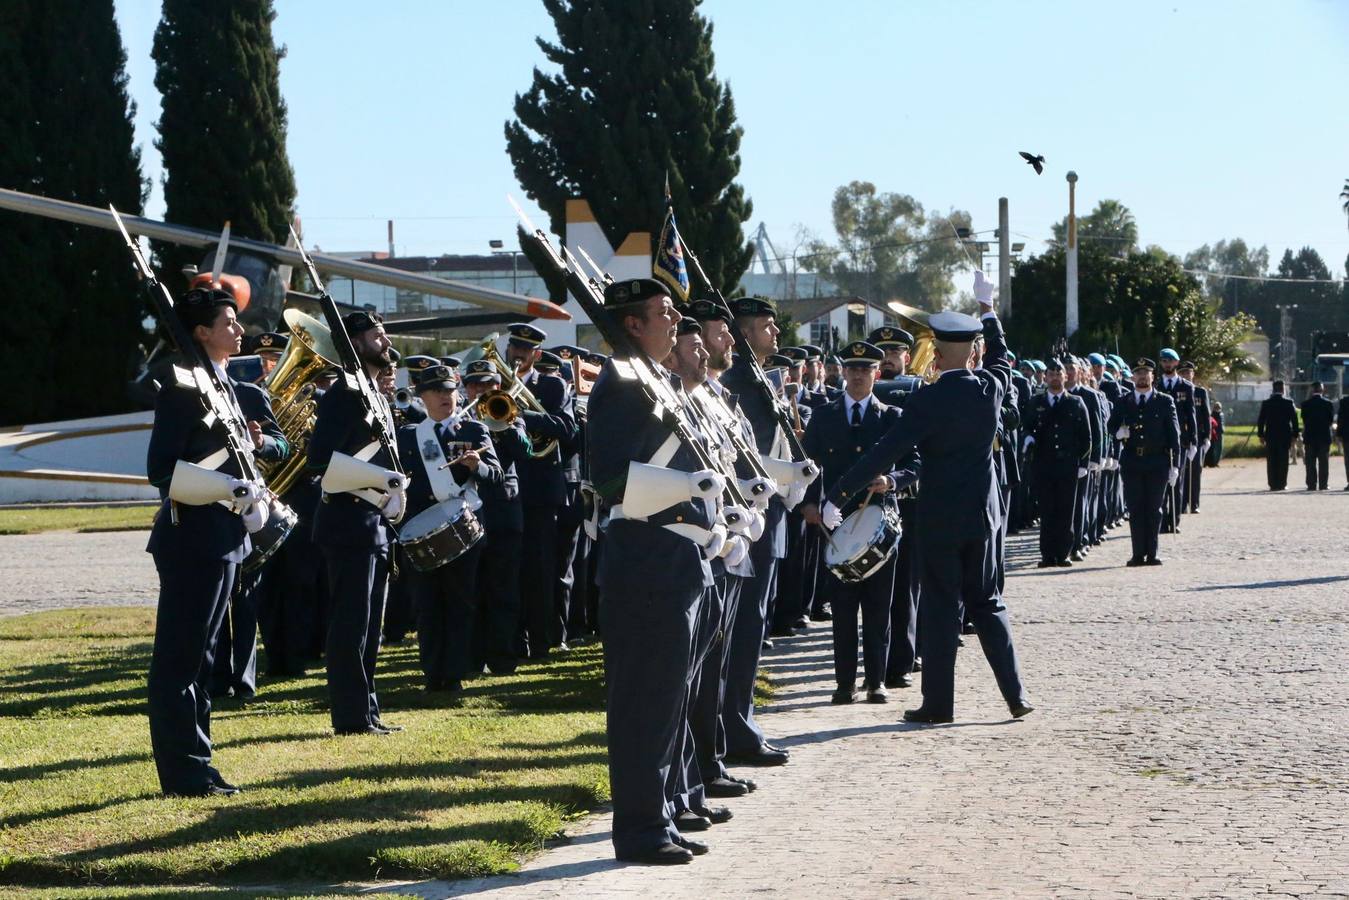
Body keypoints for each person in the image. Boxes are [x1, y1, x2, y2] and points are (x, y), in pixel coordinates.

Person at [821, 272, 1030, 724]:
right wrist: (988, 308)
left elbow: (883, 452)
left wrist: (838, 493)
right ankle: (1015, 696)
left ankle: (939, 705)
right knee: (989, 603)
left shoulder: (927, 401)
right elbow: (1002, 357)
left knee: (939, 608)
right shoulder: (991, 388)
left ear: (933, 351)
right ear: (971, 351)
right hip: (983, 517)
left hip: (939, 521)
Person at [588, 278, 717, 864]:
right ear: (633, 325)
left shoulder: (659, 380)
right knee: (643, 700)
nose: (675, 320)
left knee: (669, 697)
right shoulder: (619, 383)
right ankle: (639, 830)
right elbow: (610, 479)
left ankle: (660, 815)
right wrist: (692, 495)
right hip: (642, 560)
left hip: (677, 557)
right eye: (664, 313)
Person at [145, 286, 268, 796]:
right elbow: (161, 471)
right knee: (179, 663)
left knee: (204, 661)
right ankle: (183, 772)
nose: (239, 331)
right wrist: (230, 488)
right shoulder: (180, 388)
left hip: (224, 538)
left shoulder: (220, 384)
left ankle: (200, 763)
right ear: (201, 333)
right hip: (193, 540)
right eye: (229, 322)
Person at [306, 311, 406, 736]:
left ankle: (367, 711)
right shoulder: (345, 395)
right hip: (348, 522)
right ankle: (350, 717)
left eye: (384, 330)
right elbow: (319, 461)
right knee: (350, 625)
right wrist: (379, 481)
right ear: (353, 342)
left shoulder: (373, 393)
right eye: (374, 333)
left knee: (370, 626)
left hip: (374, 522)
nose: (384, 338)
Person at [800, 341, 916, 704]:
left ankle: (876, 681)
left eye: (866, 370)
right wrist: (808, 504)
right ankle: (845, 683)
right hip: (837, 525)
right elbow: (808, 468)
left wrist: (892, 481)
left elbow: (916, 464)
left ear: (876, 374)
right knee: (844, 609)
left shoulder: (891, 417)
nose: (858, 376)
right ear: (843, 373)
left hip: (880, 525)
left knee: (880, 607)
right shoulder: (824, 416)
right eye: (852, 369)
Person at [395, 364, 502, 692]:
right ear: (422, 397)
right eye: (436, 391)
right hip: (423, 530)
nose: (445, 396)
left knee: (460, 601)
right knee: (427, 604)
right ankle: (432, 672)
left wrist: (478, 466)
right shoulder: (409, 435)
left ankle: (455, 672)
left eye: (449, 390)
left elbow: (496, 475)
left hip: (464, 526)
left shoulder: (473, 429)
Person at [719, 296, 793, 766]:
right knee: (745, 625)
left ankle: (742, 719)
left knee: (755, 620)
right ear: (746, 335)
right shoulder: (741, 383)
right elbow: (748, 458)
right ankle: (736, 727)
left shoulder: (761, 380)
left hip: (773, 510)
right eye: (768, 327)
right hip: (752, 514)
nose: (777, 335)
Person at [503, 323, 579, 658]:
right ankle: (511, 641)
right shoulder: (494, 383)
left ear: (536, 354)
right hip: (504, 486)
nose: (517, 353)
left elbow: (566, 427)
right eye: (514, 346)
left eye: (524, 349)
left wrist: (522, 414)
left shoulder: (551, 385)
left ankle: (544, 639)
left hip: (538, 490)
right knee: (508, 569)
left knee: (541, 568)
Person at [462, 359, 530, 675]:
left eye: (487, 384)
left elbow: (524, 450)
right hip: (469, 512)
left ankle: (503, 658)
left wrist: (497, 425)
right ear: (465, 388)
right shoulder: (457, 420)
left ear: (497, 387)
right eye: (475, 385)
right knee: (472, 589)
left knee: (504, 589)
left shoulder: (509, 413)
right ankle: (472, 658)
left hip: (503, 509)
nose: (481, 390)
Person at [1106, 358, 1181, 566]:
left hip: (1157, 461)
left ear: (1152, 377)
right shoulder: (1124, 401)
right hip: (1132, 462)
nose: (1142, 377)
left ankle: (1153, 553)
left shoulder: (1164, 401)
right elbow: (1110, 425)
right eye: (1138, 373)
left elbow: (1174, 435)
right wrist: (1118, 432)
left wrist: (1176, 466)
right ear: (1133, 377)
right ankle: (1138, 553)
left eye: (1146, 373)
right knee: (1136, 509)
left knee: (1154, 509)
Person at [1023, 358, 1091, 568]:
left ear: (1066, 376)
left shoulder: (1075, 402)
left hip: (1067, 464)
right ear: (1045, 377)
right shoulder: (1037, 402)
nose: (1054, 377)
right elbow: (1027, 426)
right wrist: (1028, 439)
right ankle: (1047, 554)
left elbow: (1086, 436)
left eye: (1058, 373)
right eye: (1050, 374)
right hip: (1044, 464)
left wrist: (1083, 463)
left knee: (1065, 510)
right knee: (1047, 510)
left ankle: (1063, 553)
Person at [1155, 349, 1198, 530]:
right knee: (1161, 481)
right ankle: (1162, 520)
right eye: (1164, 361)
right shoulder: (1156, 385)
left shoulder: (1186, 387)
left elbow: (1191, 414)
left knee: (1176, 481)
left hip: (1179, 441)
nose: (1167, 364)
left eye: (1170, 361)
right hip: (1159, 440)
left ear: (1177, 363)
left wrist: (1194, 440)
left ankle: (1174, 520)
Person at [1176, 361, 1210, 512]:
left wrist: (1207, 437)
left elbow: (1206, 415)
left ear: (1193, 374)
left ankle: (1194, 503)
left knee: (1196, 471)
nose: (1185, 375)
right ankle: (1182, 504)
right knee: (1182, 472)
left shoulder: (1200, 392)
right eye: (1182, 373)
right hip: (1183, 437)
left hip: (1198, 437)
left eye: (1188, 372)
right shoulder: (1178, 391)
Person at [1256, 380, 1299, 491]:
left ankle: (1272, 484)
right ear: (1283, 389)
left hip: (1270, 435)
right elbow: (1294, 420)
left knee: (1271, 460)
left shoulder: (1266, 403)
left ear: (1273, 389)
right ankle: (1282, 483)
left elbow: (1261, 420)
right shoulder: (1289, 402)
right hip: (1285, 435)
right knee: (1283, 460)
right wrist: (1295, 434)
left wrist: (1261, 435)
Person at [1299, 382, 1334, 491]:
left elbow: (1304, 420)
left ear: (1312, 390)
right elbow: (1330, 420)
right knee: (1324, 462)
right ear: (1322, 390)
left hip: (1310, 436)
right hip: (1324, 436)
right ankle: (1323, 484)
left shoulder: (1305, 404)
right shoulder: (1328, 403)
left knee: (1310, 462)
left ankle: (1311, 484)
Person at [1206, 400, 1225, 468]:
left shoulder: (1221, 414)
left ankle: (1216, 462)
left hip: (1220, 434)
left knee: (1219, 449)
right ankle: (1212, 462)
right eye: (1216, 407)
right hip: (1214, 434)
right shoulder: (1212, 415)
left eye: (1218, 407)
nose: (1217, 409)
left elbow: (1222, 424)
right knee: (1213, 449)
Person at [1339, 395, 1349, 489]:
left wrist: (1339, 433)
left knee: (1348, 459)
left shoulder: (1344, 401)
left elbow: (1341, 418)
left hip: (1347, 434)